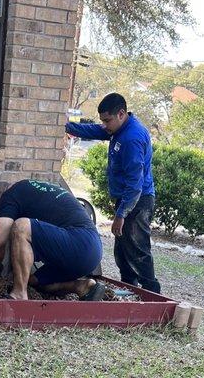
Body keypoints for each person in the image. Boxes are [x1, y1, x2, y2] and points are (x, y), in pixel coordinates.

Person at [65, 92, 160, 293]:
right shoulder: (118, 128)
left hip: (138, 201)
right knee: (122, 251)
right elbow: (94, 130)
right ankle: (129, 290)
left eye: (107, 120)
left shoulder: (132, 138)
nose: (105, 125)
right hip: (127, 199)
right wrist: (66, 125)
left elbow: (135, 184)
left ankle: (153, 295)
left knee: (138, 250)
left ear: (121, 114)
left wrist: (121, 215)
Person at [0, 179, 105, 301]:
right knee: (32, 281)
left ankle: (19, 294)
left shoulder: (10, 194)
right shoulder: (33, 190)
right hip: (92, 253)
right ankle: (81, 286)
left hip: (79, 242)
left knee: (21, 227)